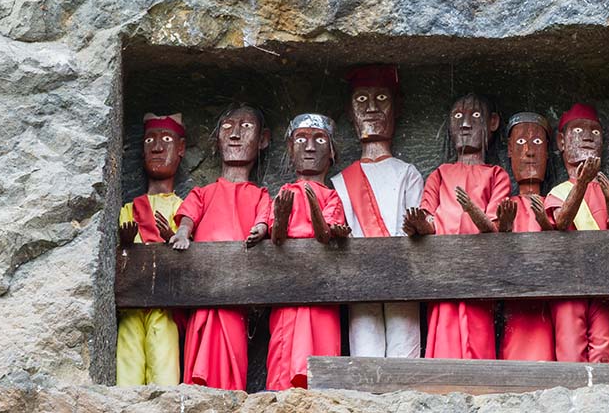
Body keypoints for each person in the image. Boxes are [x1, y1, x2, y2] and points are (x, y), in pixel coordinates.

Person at [169, 105, 272, 390]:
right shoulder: (203, 193)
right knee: (198, 346)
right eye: (227, 127)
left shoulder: (261, 195)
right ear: (216, 140)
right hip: (203, 292)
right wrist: (183, 232)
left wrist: (260, 229)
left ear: (263, 139)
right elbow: (188, 217)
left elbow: (265, 219)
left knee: (232, 355)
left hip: (236, 294)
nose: (235, 134)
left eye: (246, 127)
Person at [403, 94, 511, 359]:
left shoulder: (496, 175)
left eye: (475, 116)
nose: (465, 124)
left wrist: (471, 209)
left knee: (478, 341)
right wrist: (419, 224)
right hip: (444, 271)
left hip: (478, 273)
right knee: (444, 341)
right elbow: (429, 219)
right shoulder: (440, 174)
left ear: (493, 122)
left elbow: (493, 227)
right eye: (457, 117)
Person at [331, 66, 424, 359]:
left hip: (403, 274)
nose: (371, 108)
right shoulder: (340, 181)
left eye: (382, 98)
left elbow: (418, 230)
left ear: (397, 108)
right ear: (350, 113)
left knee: (405, 353)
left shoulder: (408, 173)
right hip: (359, 276)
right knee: (364, 354)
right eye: (361, 100)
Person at [266, 113, 351, 389]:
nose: (310, 147)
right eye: (301, 140)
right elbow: (275, 237)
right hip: (286, 288)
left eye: (320, 140)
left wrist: (314, 205)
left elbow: (325, 234)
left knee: (320, 361)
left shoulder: (332, 196)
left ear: (332, 152)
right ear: (290, 150)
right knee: (284, 355)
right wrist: (280, 218)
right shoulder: (283, 192)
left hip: (322, 290)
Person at [541, 103, 609, 363]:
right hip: (569, 285)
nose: (587, 136)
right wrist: (582, 183)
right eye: (578, 131)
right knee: (570, 346)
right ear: (561, 142)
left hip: (603, 284)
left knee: (604, 346)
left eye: (595, 132)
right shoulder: (558, 192)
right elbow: (561, 221)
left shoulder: (608, 190)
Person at [116, 113, 186, 385]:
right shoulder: (128, 209)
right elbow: (120, 257)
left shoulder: (183, 208)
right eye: (149, 141)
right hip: (132, 301)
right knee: (128, 367)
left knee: (164, 367)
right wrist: (126, 244)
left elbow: (188, 254)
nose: (157, 147)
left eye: (166, 140)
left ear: (181, 148)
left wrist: (171, 239)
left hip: (164, 304)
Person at [498, 112, 555, 361]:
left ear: (549, 153)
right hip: (513, 306)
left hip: (548, 305)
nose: (529, 152)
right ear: (509, 151)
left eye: (538, 142)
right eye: (521, 143)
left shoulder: (554, 203)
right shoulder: (503, 205)